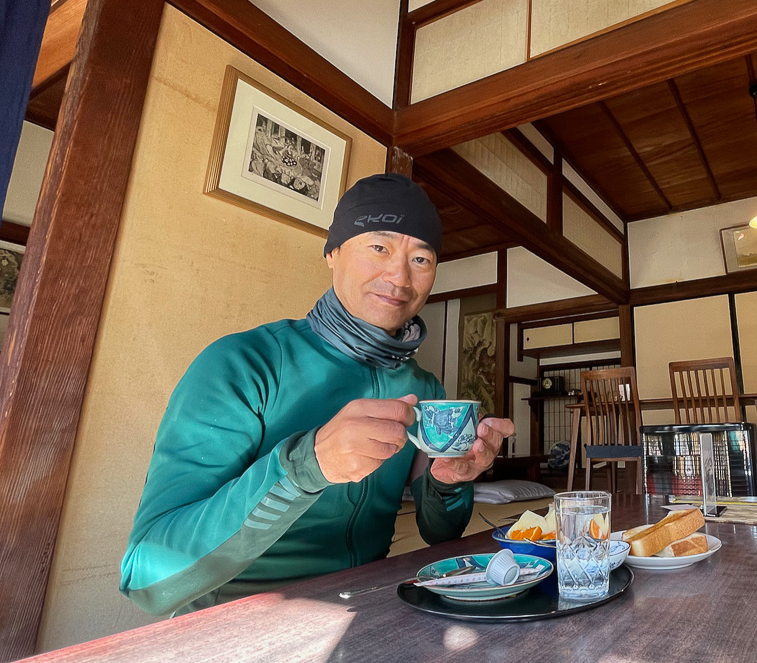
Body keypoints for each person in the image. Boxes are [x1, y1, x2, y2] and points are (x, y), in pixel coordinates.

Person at [120, 173, 511, 616]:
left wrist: (449, 481)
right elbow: (147, 577)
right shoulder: (243, 363)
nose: (399, 276)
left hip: (369, 609)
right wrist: (306, 466)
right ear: (333, 252)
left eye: (421, 259)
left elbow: (439, 533)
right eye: (379, 248)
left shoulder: (423, 389)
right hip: (236, 621)